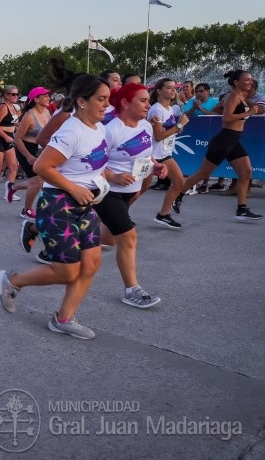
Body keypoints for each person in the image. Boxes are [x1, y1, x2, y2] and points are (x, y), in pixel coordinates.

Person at [0, 63, 111, 340]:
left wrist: (114, 177)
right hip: (59, 204)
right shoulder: (71, 131)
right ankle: (12, 282)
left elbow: (94, 164)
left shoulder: (98, 129)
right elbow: (42, 168)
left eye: (108, 99)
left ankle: (64, 319)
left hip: (85, 205)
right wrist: (74, 188)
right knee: (66, 272)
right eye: (101, 99)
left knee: (91, 264)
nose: (107, 105)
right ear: (82, 102)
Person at [93, 83, 167, 308]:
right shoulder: (110, 130)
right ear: (125, 103)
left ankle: (36, 228)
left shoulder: (145, 126)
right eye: (143, 101)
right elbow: (94, 163)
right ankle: (132, 290)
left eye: (148, 100)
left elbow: (146, 155)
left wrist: (155, 166)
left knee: (106, 239)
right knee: (128, 237)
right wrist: (114, 176)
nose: (148, 105)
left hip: (130, 192)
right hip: (107, 191)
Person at [174, 70, 263, 221]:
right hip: (224, 140)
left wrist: (249, 105)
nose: (250, 82)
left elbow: (259, 109)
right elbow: (227, 118)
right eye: (247, 79)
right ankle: (177, 195)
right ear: (236, 82)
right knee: (202, 174)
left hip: (234, 141)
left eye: (251, 80)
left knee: (246, 172)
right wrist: (247, 113)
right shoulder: (232, 97)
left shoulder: (242, 97)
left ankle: (241, 209)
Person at [147, 78, 189, 229]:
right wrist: (178, 125)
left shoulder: (170, 109)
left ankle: (163, 214)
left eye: (175, 88)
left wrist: (177, 128)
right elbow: (158, 136)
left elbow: (167, 131)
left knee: (179, 182)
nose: (173, 91)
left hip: (164, 153)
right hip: (155, 155)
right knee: (136, 190)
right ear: (159, 91)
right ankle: (116, 215)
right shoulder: (157, 109)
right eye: (169, 88)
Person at [6, 87, 52, 212]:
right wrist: (28, 156)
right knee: (37, 182)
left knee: (40, 182)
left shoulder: (47, 112)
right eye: (45, 96)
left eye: (48, 95)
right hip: (25, 149)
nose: (48, 98)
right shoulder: (29, 116)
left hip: (39, 149)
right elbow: (18, 139)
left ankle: (13, 186)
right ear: (36, 99)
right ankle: (26, 210)